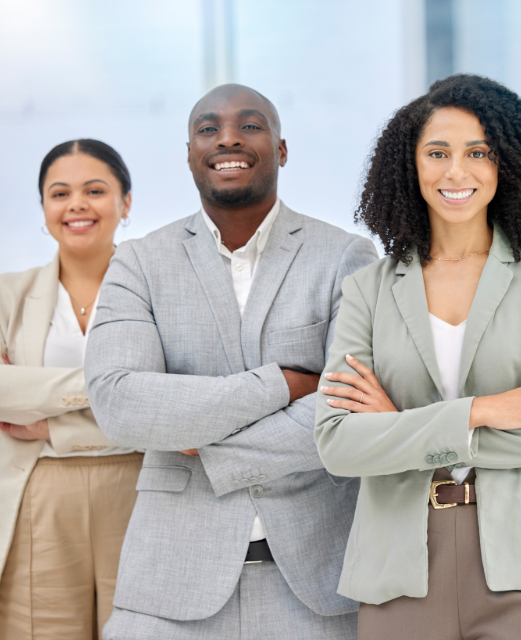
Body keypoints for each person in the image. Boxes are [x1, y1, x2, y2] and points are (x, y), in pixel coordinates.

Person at [314, 74, 521, 640]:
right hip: (399, 564)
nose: (456, 171)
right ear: (410, 165)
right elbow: (337, 443)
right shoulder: (368, 289)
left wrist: (396, 429)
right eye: (437, 153)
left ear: (508, 164)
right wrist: (482, 411)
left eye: (478, 153)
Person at [85, 84, 378, 640]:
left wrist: (196, 434)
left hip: (320, 587)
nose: (227, 139)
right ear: (190, 153)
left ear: (281, 149)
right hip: (168, 586)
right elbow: (120, 403)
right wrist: (284, 384)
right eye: (207, 128)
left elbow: (350, 410)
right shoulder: (139, 264)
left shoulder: (345, 256)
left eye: (250, 125)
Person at [0, 139, 142, 639]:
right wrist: (116, 386)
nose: (76, 204)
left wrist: (52, 423)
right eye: (59, 193)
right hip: (35, 498)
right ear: (44, 207)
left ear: (125, 202)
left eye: (95, 190)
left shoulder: (162, 292)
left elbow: (176, 397)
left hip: (141, 491)